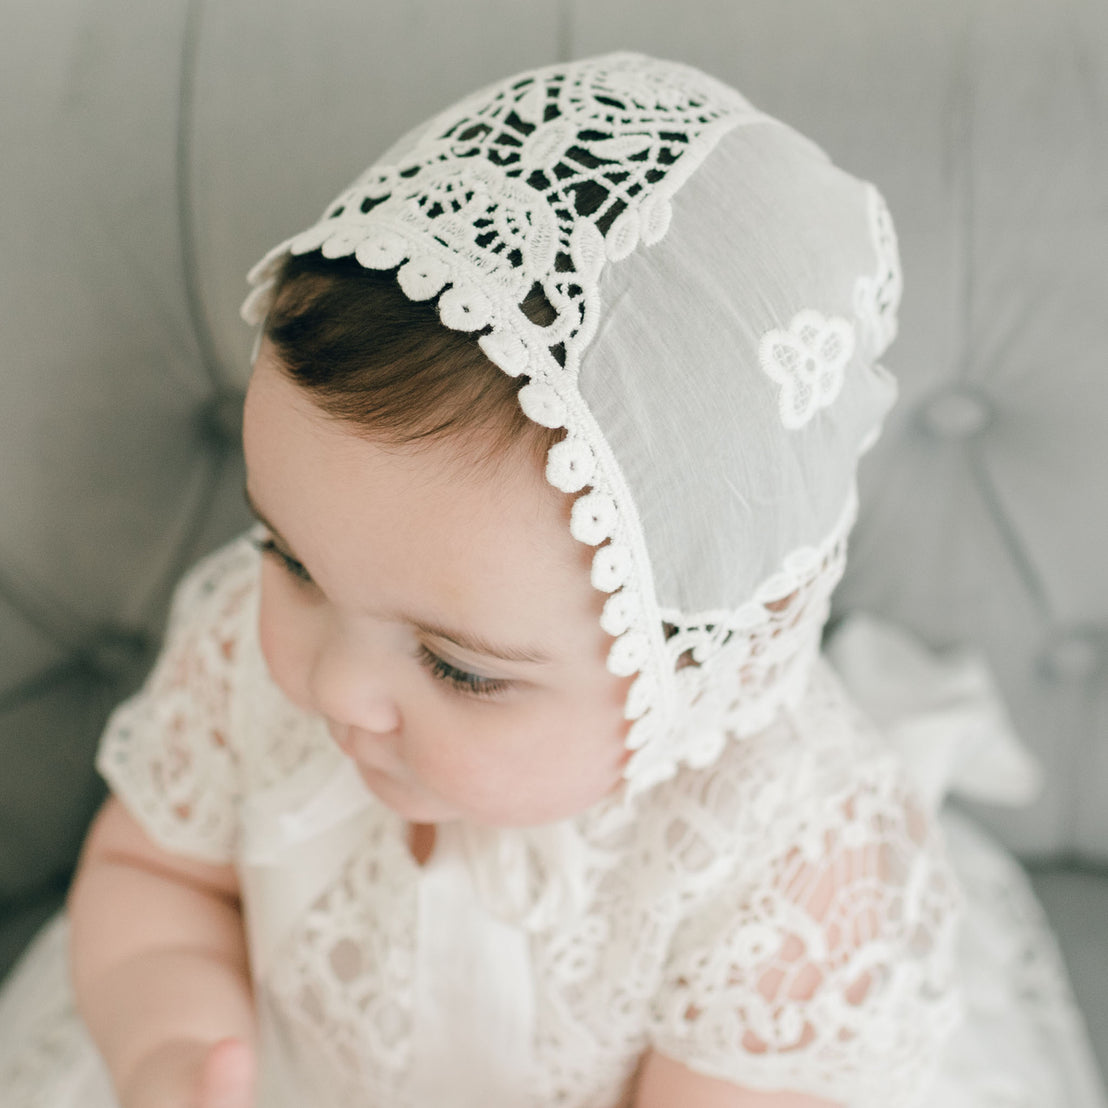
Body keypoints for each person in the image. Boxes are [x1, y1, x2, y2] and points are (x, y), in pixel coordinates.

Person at [0, 51, 1102, 1108]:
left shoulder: (782, 854)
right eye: (288, 556)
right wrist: (175, 1051)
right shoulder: (249, 648)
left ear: (689, 657)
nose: (334, 686)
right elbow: (158, 882)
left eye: (456, 666)